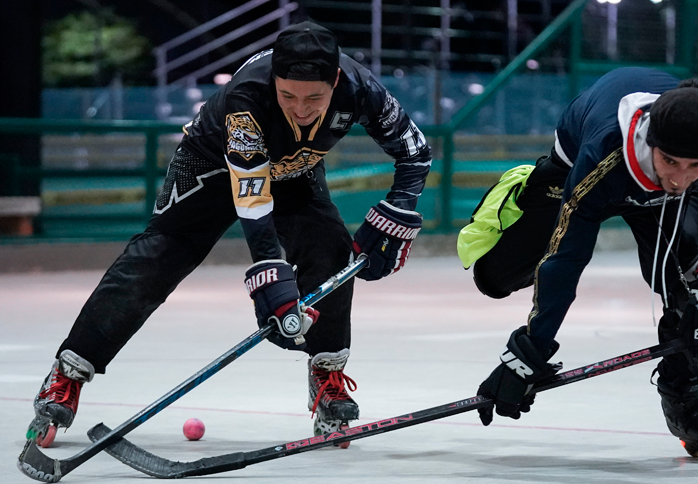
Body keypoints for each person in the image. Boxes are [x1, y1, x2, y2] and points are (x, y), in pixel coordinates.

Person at [29, 21, 431, 447]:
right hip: (211, 169)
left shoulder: (361, 88)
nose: (301, 109)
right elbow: (252, 194)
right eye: (288, 95)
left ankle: (327, 375)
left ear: (335, 81)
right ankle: (69, 372)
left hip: (294, 172)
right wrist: (270, 272)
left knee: (330, 250)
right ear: (274, 80)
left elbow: (415, 152)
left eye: (315, 98)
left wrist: (397, 211)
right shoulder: (247, 96)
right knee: (156, 259)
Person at [458, 67, 698, 462]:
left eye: (697, 165)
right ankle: (523, 191)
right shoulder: (603, 156)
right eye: (671, 161)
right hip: (577, 172)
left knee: (687, 294)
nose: (682, 178)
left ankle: (687, 407)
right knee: (494, 277)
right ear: (651, 141)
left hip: (653, 196)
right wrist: (528, 353)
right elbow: (567, 261)